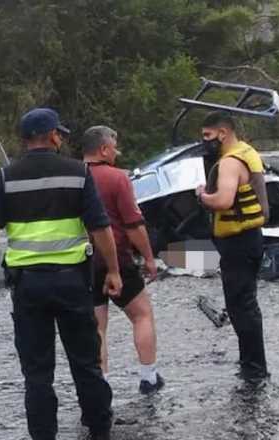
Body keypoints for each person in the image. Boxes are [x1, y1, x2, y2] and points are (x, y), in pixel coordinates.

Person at [0, 108, 122, 440]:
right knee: (87, 365)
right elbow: (101, 228)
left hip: (28, 287)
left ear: (25, 140)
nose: (61, 138)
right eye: (59, 133)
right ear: (52, 136)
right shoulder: (79, 172)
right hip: (72, 283)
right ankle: (100, 431)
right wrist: (113, 270)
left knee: (37, 374)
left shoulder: (6, 178)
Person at [79, 126, 164, 394]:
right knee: (142, 315)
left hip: (82, 261)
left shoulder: (72, 177)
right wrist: (149, 258)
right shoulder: (118, 178)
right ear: (103, 149)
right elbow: (133, 225)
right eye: (114, 147)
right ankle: (148, 378)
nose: (117, 152)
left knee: (97, 326)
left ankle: (100, 384)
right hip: (116, 259)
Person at [195, 111, 270, 383]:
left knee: (241, 306)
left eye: (208, 136)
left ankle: (254, 371)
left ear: (222, 133)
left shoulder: (229, 162)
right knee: (246, 304)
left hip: (239, 243)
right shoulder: (247, 151)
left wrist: (203, 196)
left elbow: (224, 201)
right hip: (251, 238)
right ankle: (251, 364)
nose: (205, 141)